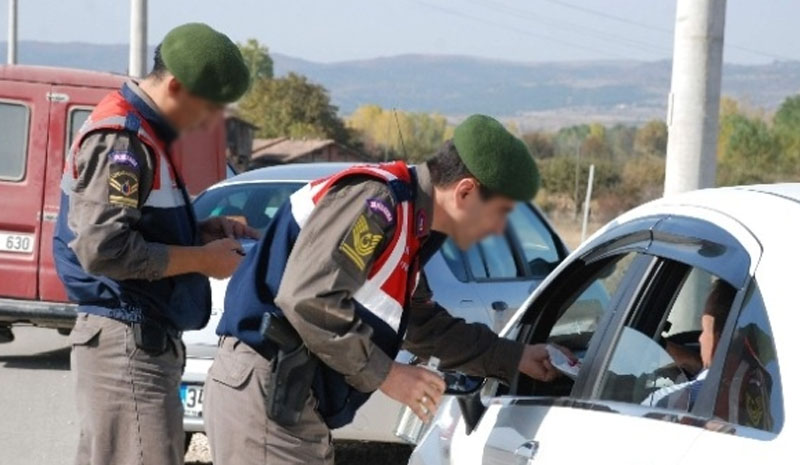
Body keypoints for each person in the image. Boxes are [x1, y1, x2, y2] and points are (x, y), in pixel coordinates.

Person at [205, 114, 575, 465]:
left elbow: (423, 326)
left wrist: (514, 357)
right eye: (501, 213)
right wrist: (387, 374)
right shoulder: (378, 204)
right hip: (268, 390)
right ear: (465, 192)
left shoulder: (410, 226)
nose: (498, 230)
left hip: (288, 395)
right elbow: (307, 297)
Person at [53, 23, 254, 465]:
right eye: (209, 107)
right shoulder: (123, 139)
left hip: (134, 339)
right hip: (127, 339)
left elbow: (133, 229)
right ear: (176, 86)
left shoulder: (142, 133)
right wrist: (202, 259)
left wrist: (197, 231)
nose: (210, 122)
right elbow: (104, 248)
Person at [642, 279, 736, 409]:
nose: (700, 339)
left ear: (720, 340)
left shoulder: (664, 402)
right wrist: (695, 363)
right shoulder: (756, 383)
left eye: (704, 330)